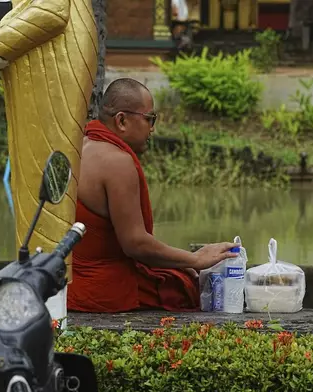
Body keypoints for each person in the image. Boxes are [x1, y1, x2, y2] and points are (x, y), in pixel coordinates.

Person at [67, 78, 239, 313]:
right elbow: (135, 244)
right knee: (183, 288)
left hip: (69, 282)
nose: (152, 129)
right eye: (150, 119)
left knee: (175, 272)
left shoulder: (79, 145)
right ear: (122, 120)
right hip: (101, 289)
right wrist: (195, 259)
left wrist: (181, 261)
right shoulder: (117, 161)